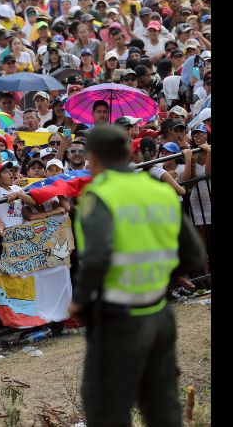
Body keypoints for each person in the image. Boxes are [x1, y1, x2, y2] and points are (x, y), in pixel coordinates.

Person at [68, 125, 205, 427]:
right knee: (162, 408)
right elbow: (194, 255)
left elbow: (97, 258)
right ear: (129, 153)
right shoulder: (159, 192)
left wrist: (79, 300)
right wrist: (165, 275)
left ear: (93, 158)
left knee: (107, 409)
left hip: (119, 319)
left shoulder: (98, 197)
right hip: (159, 314)